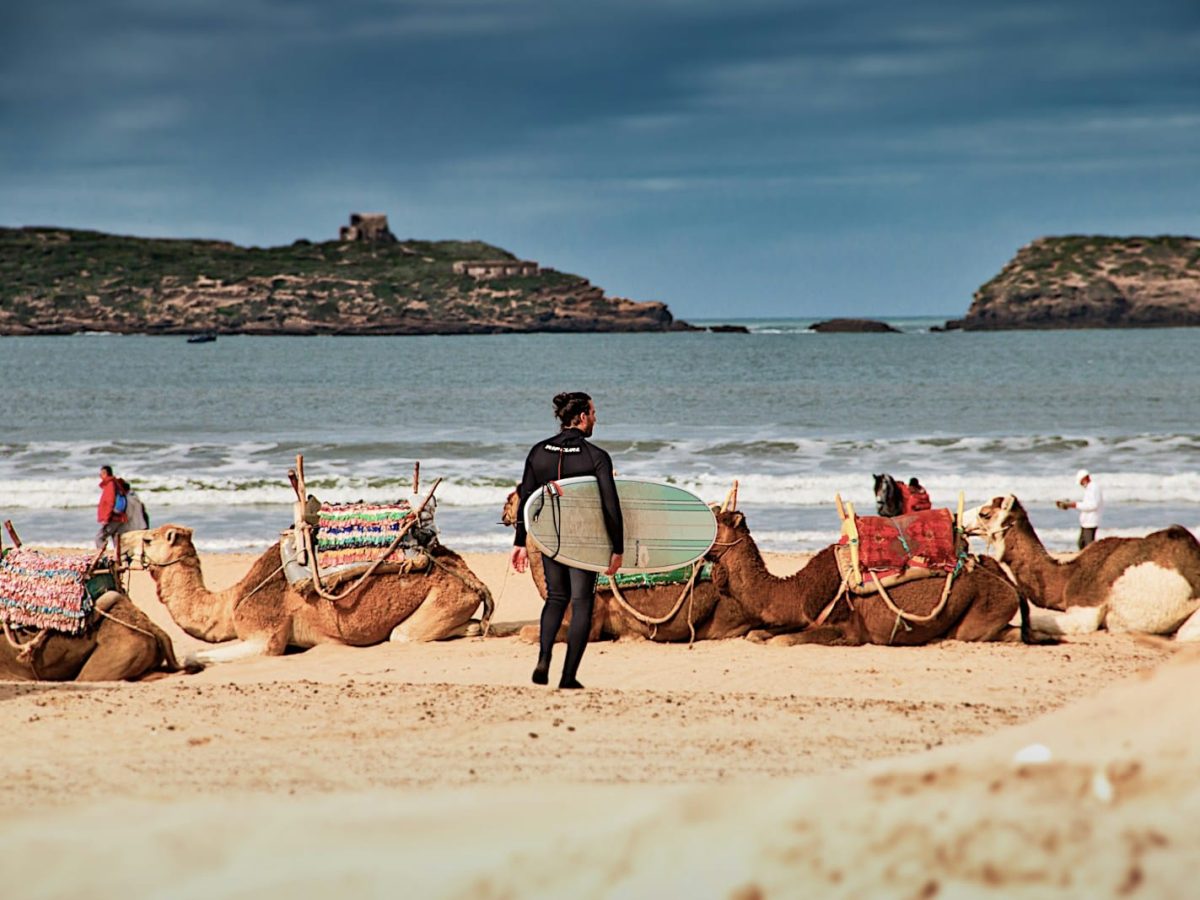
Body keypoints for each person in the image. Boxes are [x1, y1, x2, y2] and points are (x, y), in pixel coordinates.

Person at [510, 392, 623, 690]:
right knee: (582, 602)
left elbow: (526, 501)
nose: (596, 418)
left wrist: (520, 542)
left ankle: (544, 659)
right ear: (583, 417)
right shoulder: (596, 456)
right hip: (583, 540)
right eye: (594, 412)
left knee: (557, 598)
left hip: (551, 538)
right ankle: (568, 675)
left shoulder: (537, 452)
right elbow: (611, 506)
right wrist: (617, 548)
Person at [1066, 468, 1103, 549]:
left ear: (1085, 478)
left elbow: (1093, 505)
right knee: (1081, 543)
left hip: (1091, 522)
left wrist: (1075, 505)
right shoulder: (1090, 488)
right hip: (1086, 522)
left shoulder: (1094, 488)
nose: (1081, 484)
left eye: (1081, 482)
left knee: (1088, 547)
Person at [95, 465, 128, 549]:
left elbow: (110, 502)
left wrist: (106, 518)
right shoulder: (114, 483)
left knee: (99, 537)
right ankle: (119, 559)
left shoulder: (110, 485)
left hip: (113, 517)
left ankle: (102, 557)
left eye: (101, 473)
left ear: (105, 473)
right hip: (118, 517)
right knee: (116, 539)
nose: (100, 476)